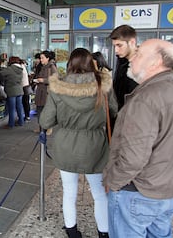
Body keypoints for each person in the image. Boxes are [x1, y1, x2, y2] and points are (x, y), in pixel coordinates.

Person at [103, 39, 173, 238]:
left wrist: (113, 181)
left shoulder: (145, 99)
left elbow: (133, 157)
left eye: (138, 54)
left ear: (155, 62)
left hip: (137, 192)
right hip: (169, 190)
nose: (132, 58)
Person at [39, 48, 117, 238]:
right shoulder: (103, 85)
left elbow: (45, 121)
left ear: (70, 65)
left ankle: (72, 232)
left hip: (66, 145)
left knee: (69, 192)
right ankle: (104, 233)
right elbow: (114, 111)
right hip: (96, 146)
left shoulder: (58, 87)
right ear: (91, 64)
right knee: (100, 194)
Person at [109, 25, 138, 110]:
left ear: (132, 42)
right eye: (114, 46)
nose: (116, 50)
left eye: (119, 45)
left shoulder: (144, 64)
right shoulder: (122, 60)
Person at [34, 50, 58, 134]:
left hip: (47, 92)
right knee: (39, 109)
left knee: (46, 111)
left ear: (48, 58)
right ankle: (41, 127)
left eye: (42, 58)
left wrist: (43, 80)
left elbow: (55, 79)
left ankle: (48, 128)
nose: (41, 60)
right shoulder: (42, 66)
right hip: (40, 91)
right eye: (40, 58)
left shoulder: (51, 67)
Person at [0, 56, 24, 128]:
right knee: (19, 107)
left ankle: (11, 124)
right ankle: (21, 122)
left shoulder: (10, 69)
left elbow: (0, 73)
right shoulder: (20, 69)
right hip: (19, 90)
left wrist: (2, 66)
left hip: (11, 91)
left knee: (12, 109)